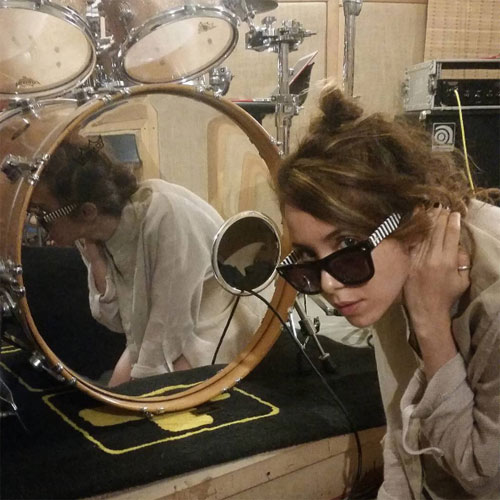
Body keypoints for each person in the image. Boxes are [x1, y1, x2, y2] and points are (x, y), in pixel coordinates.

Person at [276, 84, 500, 499]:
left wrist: (430, 325)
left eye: (346, 244)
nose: (329, 284)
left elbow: (486, 479)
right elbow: (402, 430)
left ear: (410, 215)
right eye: (309, 257)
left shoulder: (493, 298)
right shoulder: (381, 268)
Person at [29, 141, 263, 386]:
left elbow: (170, 324)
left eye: (44, 214)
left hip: (214, 324)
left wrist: (141, 387)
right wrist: (96, 259)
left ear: (88, 211)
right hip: (161, 326)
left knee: (142, 398)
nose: (36, 223)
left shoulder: (165, 215)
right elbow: (116, 321)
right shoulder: (91, 234)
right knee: (114, 393)